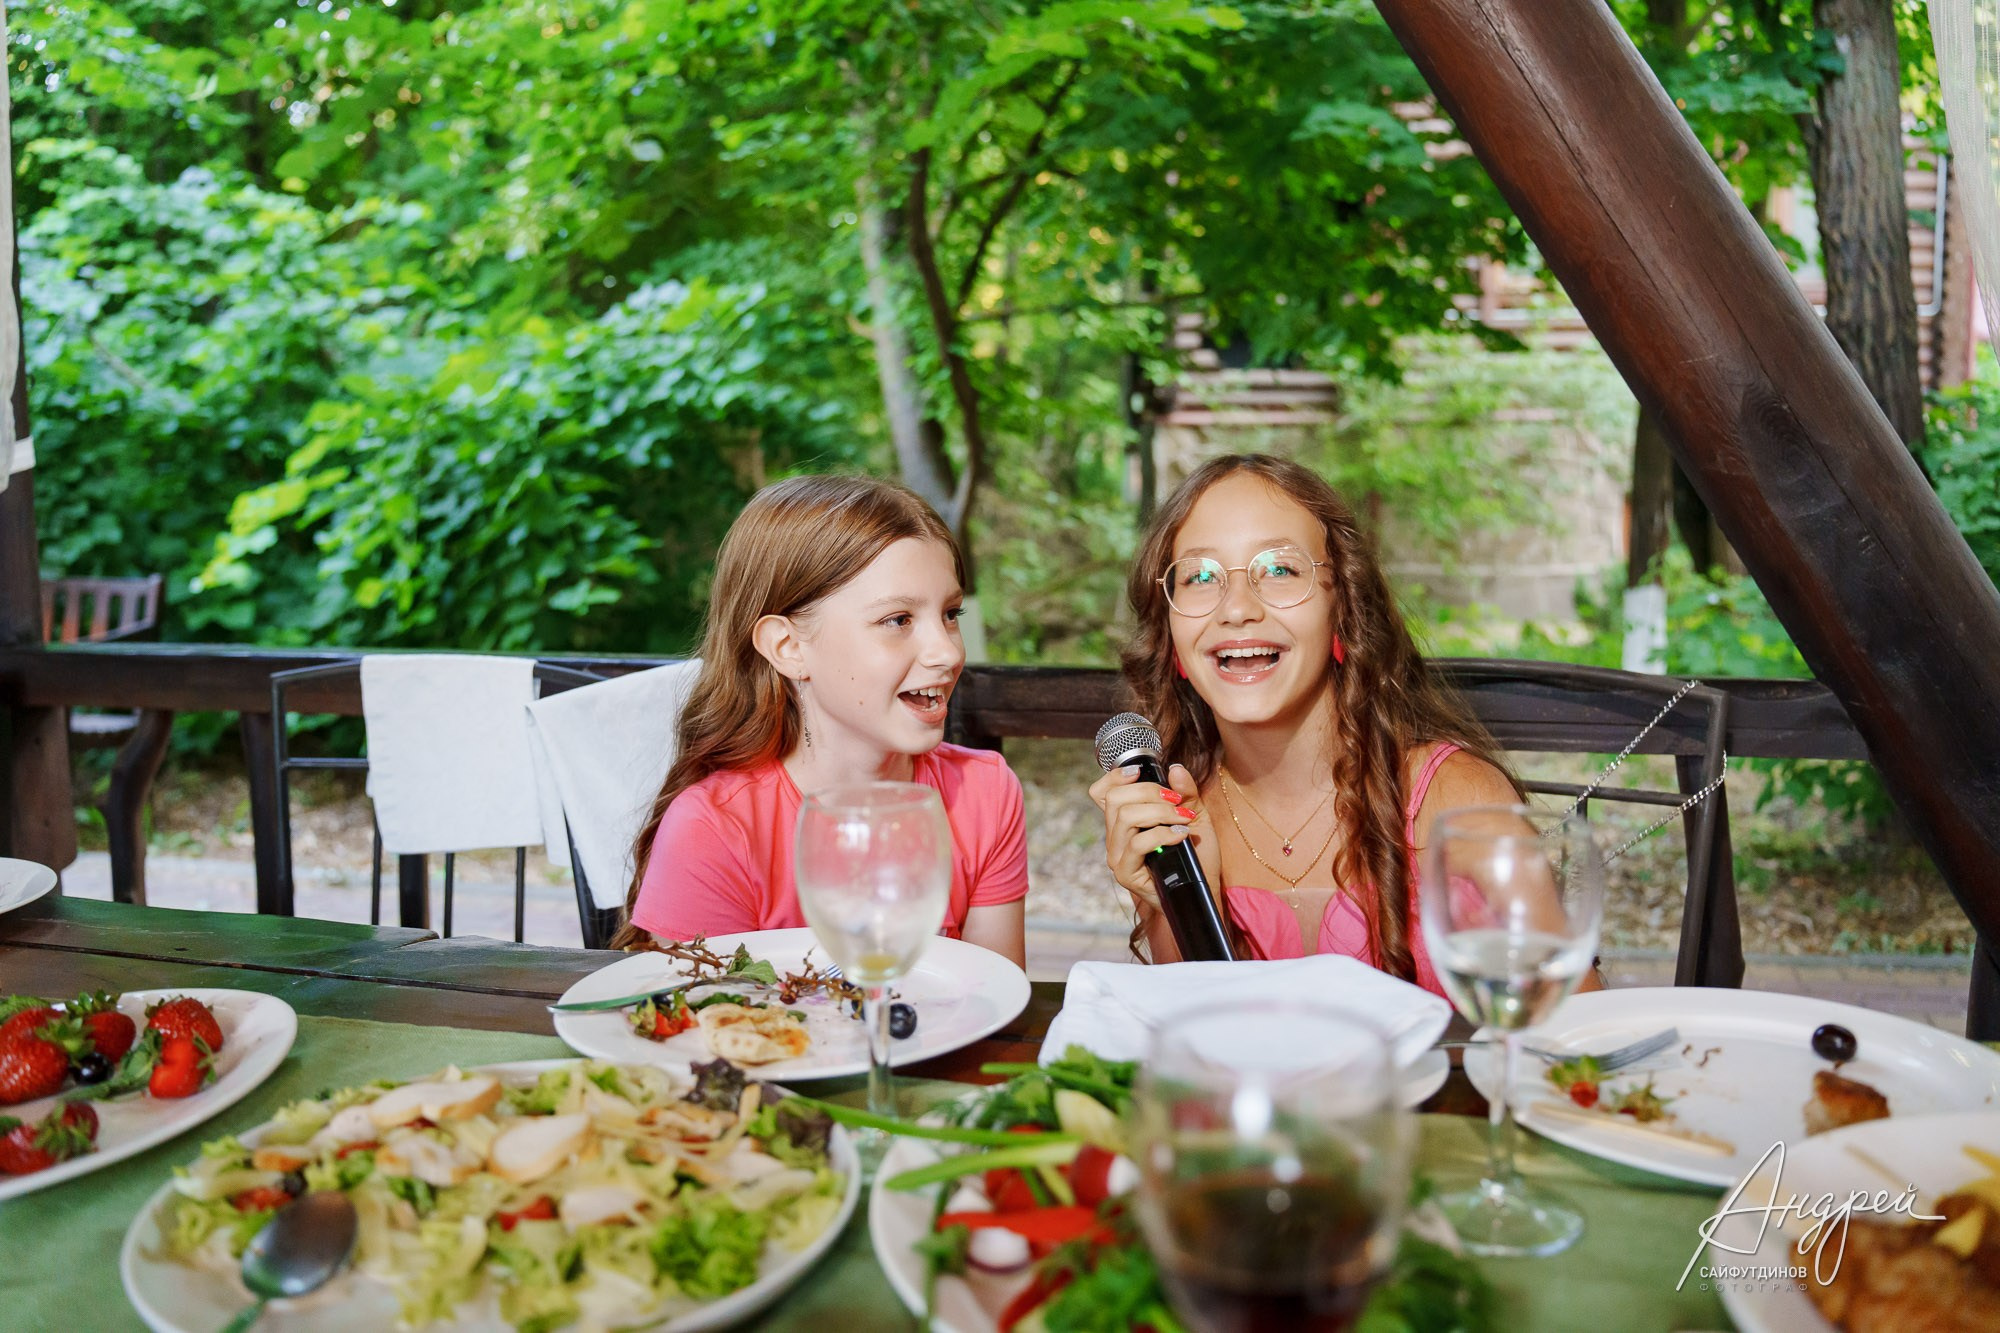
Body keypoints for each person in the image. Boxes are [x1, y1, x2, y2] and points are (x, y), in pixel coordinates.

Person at [1089, 453, 1600, 996]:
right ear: (1172, 638)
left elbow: (1576, 1032)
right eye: (1200, 577)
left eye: (1280, 570)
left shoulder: (1455, 798)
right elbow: (1205, 1047)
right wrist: (1174, 898)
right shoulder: (1178, 824)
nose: (1235, 608)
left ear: (1344, 609)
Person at [613, 475, 1028, 966]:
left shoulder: (984, 793)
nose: (946, 651)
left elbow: (993, 1004)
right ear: (789, 648)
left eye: (951, 613)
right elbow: (714, 1030)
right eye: (898, 620)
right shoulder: (715, 830)